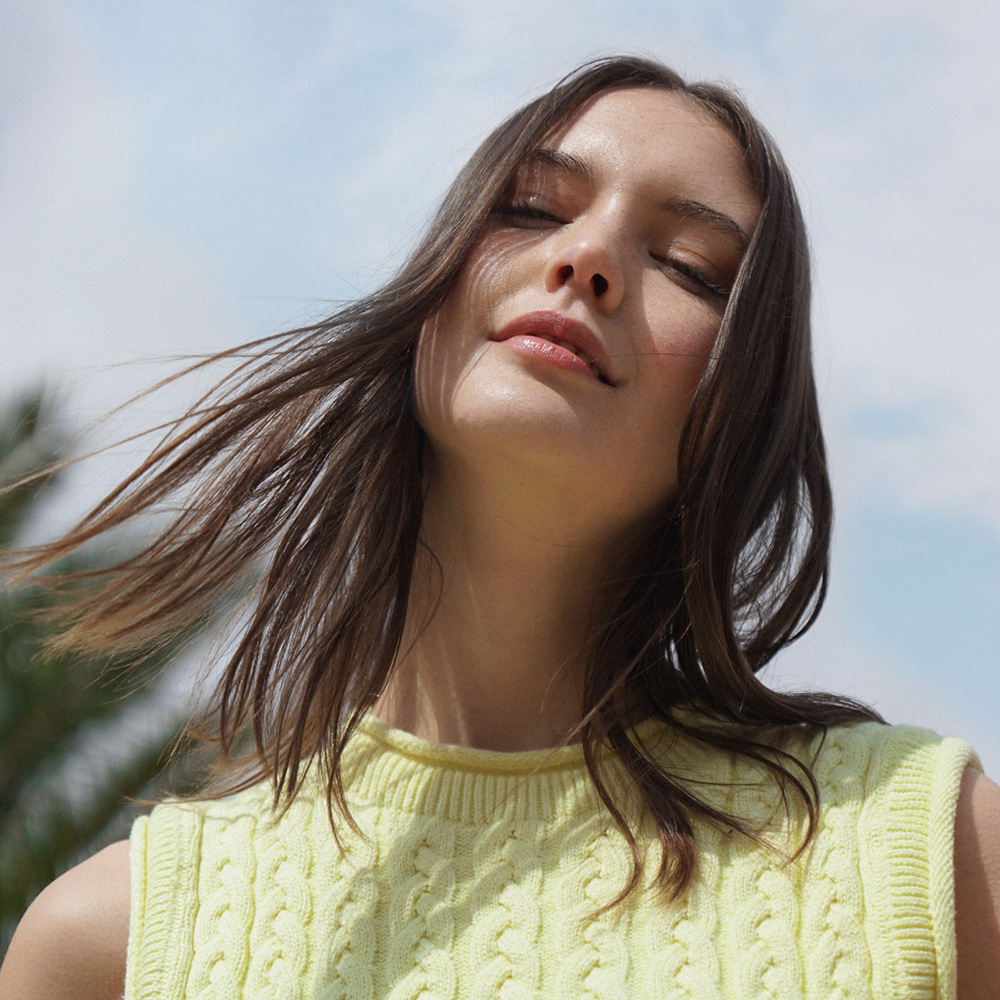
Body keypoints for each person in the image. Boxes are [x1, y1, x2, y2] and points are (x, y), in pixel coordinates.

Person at [1, 55, 998, 1000]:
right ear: (432, 296)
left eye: (689, 264)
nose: (588, 255)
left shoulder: (931, 853)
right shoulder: (108, 946)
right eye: (529, 208)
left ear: (741, 407)